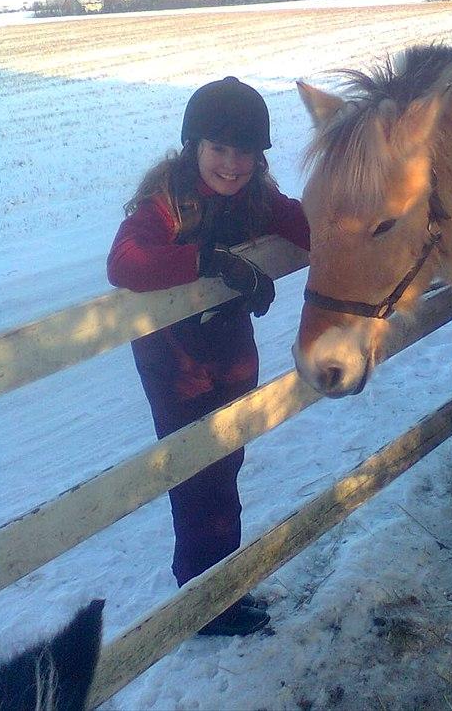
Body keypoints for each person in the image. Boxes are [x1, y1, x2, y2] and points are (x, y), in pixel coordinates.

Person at [107, 77, 310, 636]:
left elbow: (310, 227)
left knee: (228, 461)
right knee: (198, 473)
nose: (233, 163)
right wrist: (208, 262)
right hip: (175, 358)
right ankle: (203, 600)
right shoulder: (166, 202)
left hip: (229, 345)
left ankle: (222, 585)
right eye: (219, 148)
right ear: (194, 146)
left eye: (245, 151)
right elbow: (125, 262)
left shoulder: (257, 197)